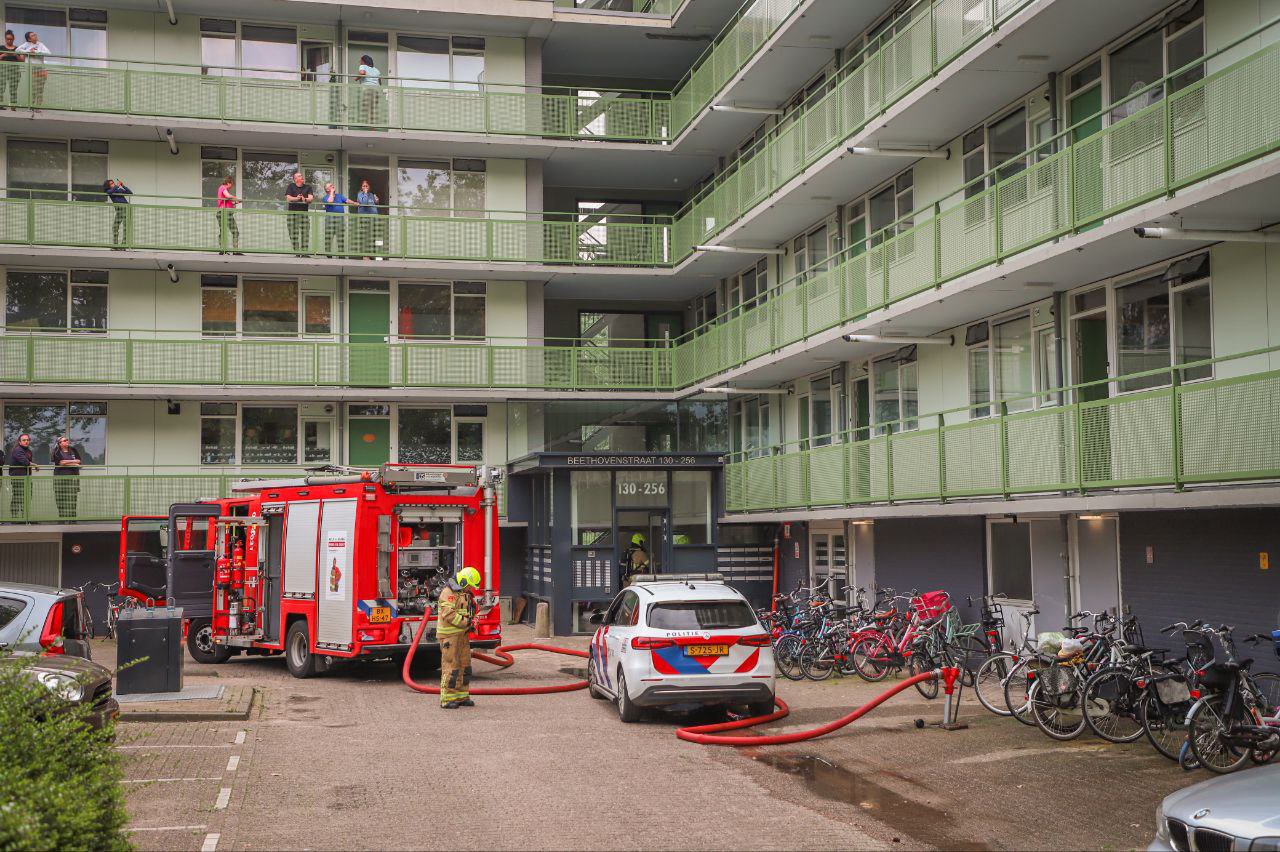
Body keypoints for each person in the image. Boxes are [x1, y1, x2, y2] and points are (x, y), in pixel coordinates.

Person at [437, 565, 480, 710]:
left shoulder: (463, 593)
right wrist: (466, 622)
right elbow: (448, 614)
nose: (470, 589)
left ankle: (462, 696)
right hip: (450, 637)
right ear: (463, 582)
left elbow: (467, 610)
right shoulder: (448, 593)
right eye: (469, 586)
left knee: (464, 666)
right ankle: (447, 699)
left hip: (462, 635)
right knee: (451, 667)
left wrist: (473, 620)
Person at [16, 31, 50, 107]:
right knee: (32, 89)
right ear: (29, 39)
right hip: (31, 70)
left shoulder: (40, 44)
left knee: (40, 89)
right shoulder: (26, 45)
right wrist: (28, 51)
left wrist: (36, 51)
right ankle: (31, 106)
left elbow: (48, 53)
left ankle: (38, 107)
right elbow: (17, 50)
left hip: (41, 69)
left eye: (35, 34)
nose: (35, 36)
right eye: (33, 35)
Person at [284, 171, 314, 256]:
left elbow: (311, 199)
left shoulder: (308, 187)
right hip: (292, 213)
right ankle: (297, 252)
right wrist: (297, 199)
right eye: (300, 176)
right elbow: (288, 198)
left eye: (302, 176)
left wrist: (305, 199)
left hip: (304, 214)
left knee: (305, 233)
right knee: (292, 233)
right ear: (295, 179)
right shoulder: (291, 186)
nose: (302, 177)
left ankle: (304, 253)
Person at [50, 436, 80, 519]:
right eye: (64, 440)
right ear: (60, 444)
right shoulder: (56, 452)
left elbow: (79, 461)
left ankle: (72, 517)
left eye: (67, 440)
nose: (67, 441)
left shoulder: (73, 450)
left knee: (72, 497)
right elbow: (60, 462)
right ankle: (62, 516)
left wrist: (68, 462)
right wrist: (73, 462)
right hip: (59, 477)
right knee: (60, 497)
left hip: (73, 477)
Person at [7, 433, 36, 518]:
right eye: (24, 440)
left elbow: (28, 463)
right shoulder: (17, 450)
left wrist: (32, 466)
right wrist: (35, 465)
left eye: (27, 440)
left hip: (27, 477)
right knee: (17, 496)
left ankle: (26, 517)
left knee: (27, 497)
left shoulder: (29, 451)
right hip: (18, 478)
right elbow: (25, 462)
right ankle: (14, 517)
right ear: (19, 442)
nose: (26, 441)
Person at [320, 182, 352, 256]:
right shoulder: (325, 197)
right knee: (328, 238)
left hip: (340, 220)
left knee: (340, 238)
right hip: (330, 220)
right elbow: (330, 201)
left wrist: (355, 203)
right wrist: (331, 192)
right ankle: (328, 255)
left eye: (332, 185)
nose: (333, 186)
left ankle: (341, 255)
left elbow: (347, 200)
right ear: (327, 189)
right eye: (331, 186)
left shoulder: (339, 196)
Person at [354, 179, 380, 260]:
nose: (365, 187)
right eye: (363, 186)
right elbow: (364, 203)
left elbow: (375, 203)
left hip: (373, 218)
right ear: (361, 187)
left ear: (369, 187)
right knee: (365, 236)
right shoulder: (360, 194)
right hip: (364, 218)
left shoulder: (371, 194)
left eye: (366, 186)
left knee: (372, 236)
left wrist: (377, 200)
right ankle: (365, 255)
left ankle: (371, 254)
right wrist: (365, 193)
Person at [216, 176, 241, 254]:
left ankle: (223, 250)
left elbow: (227, 201)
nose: (231, 186)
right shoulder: (223, 187)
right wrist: (236, 198)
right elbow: (228, 196)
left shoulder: (222, 189)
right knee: (235, 232)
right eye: (231, 184)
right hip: (225, 213)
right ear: (228, 183)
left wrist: (235, 202)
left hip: (223, 212)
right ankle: (234, 251)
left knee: (223, 231)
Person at [104, 179, 132, 248]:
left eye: (113, 183)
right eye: (111, 184)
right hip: (119, 210)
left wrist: (123, 186)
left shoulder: (118, 190)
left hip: (126, 208)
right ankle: (115, 245)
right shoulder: (109, 191)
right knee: (115, 227)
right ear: (108, 186)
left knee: (126, 228)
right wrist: (117, 185)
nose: (113, 184)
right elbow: (110, 192)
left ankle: (123, 246)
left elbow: (130, 192)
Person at [357, 54, 382, 126]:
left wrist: (356, 78)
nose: (360, 62)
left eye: (361, 60)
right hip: (376, 91)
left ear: (364, 61)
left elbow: (362, 73)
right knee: (372, 109)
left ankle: (364, 124)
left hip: (368, 90)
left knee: (365, 107)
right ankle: (372, 126)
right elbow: (379, 82)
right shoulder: (376, 70)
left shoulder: (363, 66)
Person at [0, 31, 22, 109]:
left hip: (14, 70)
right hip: (3, 69)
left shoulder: (17, 49)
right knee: (1, 87)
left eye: (11, 39)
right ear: (5, 39)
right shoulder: (1, 48)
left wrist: (16, 55)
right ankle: (0, 105)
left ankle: (13, 106)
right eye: (8, 39)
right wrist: (3, 55)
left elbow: (22, 60)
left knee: (13, 88)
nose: (9, 41)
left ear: (13, 39)